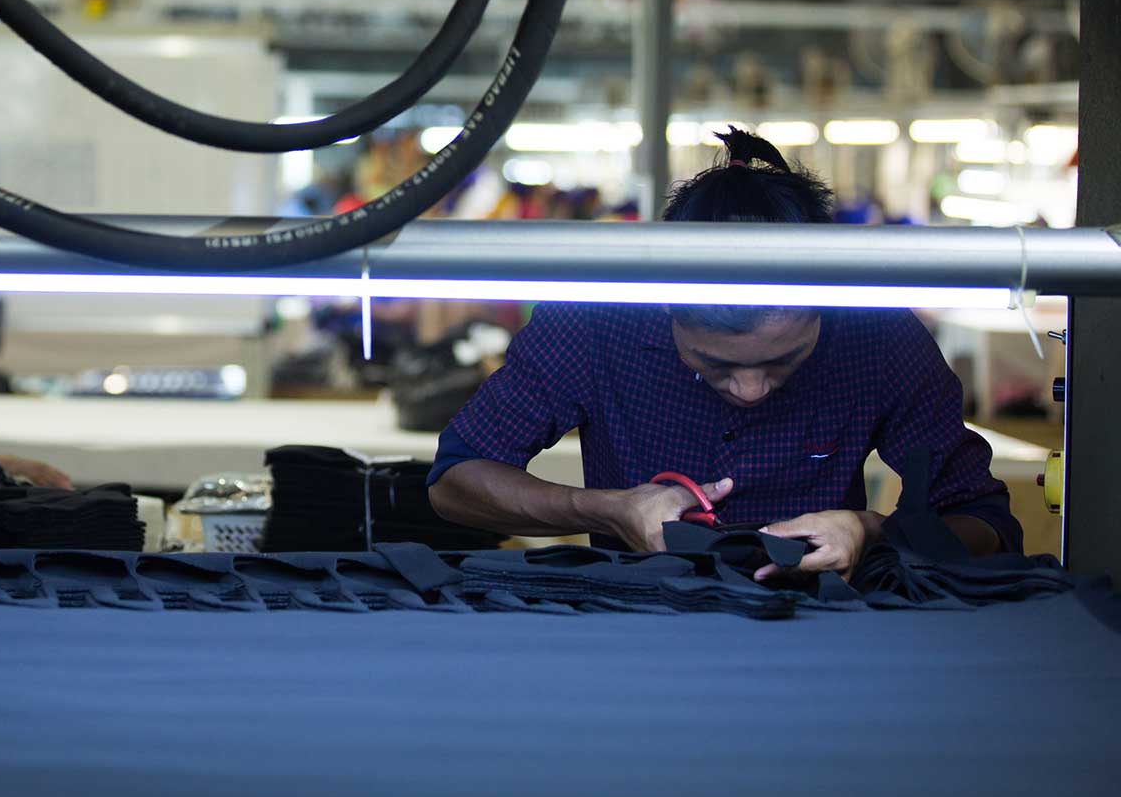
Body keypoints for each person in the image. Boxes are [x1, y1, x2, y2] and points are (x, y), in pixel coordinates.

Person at [427, 128, 1020, 580]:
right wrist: (606, 510)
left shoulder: (878, 337)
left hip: (826, 635)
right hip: (639, 627)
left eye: (783, 361)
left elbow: (988, 525)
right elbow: (455, 481)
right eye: (716, 365)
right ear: (664, 309)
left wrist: (874, 532)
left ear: (826, 307)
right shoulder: (595, 321)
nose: (751, 391)